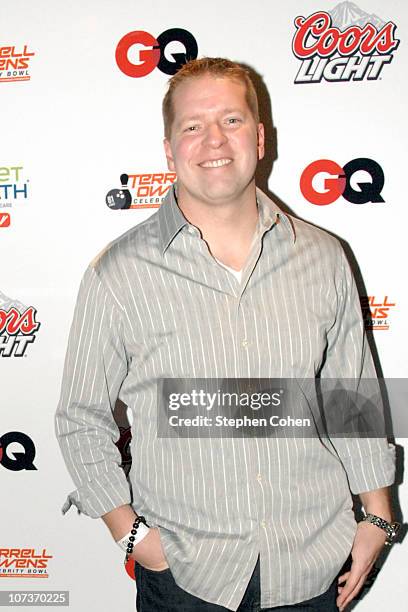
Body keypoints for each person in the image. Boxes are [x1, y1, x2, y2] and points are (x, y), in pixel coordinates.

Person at [55, 57, 397, 612]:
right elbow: (80, 417)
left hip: (313, 567)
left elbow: (350, 399)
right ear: (169, 149)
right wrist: (134, 536)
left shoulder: (325, 258)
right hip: (186, 575)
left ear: (260, 138)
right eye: (192, 125)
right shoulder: (118, 273)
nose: (213, 139)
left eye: (232, 121)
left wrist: (377, 514)